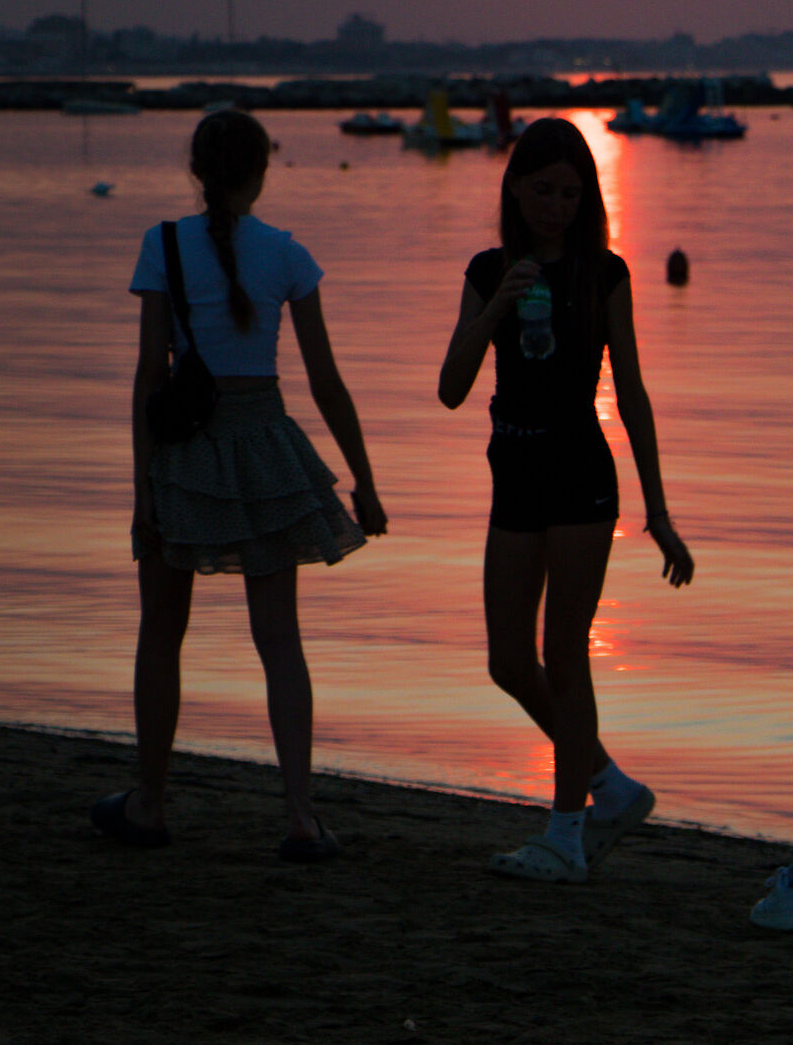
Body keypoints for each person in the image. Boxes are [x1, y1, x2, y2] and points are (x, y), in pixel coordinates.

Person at [92, 107, 387, 860]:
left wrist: (141, 490)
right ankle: (298, 816)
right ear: (260, 172)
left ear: (197, 172)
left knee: (162, 635)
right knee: (279, 641)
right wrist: (364, 481)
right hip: (263, 450)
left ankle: (151, 804)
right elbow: (327, 383)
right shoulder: (287, 255)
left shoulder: (162, 246)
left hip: (183, 452)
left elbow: (148, 377)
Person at [439, 115, 693, 883]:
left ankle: (565, 834)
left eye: (570, 194)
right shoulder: (488, 271)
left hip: (582, 478)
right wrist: (494, 312)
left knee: (565, 653)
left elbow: (636, 395)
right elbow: (451, 390)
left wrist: (660, 512)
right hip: (512, 473)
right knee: (510, 661)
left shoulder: (603, 275)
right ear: (514, 189)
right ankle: (609, 786)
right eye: (543, 191)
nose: (556, 206)